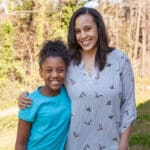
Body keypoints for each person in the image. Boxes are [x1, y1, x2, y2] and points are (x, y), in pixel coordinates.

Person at [18, 7, 137, 150]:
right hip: (75, 145)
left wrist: (123, 144)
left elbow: (128, 106)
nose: (83, 35)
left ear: (98, 28)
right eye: (78, 31)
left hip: (112, 145)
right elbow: (52, 83)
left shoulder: (120, 60)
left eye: (87, 29)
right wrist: (24, 97)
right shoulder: (69, 61)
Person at [15, 40, 71, 150]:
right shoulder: (29, 102)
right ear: (41, 72)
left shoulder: (68, 93)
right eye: (49, 70)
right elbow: (20, 144)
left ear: (66, 71)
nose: (55, 75)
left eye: (60, 70)